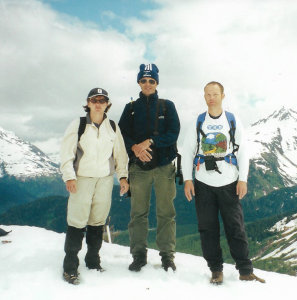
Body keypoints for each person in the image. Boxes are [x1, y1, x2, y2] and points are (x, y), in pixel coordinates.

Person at [182, 81, 265, 284]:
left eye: (215, 94)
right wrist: (187, 179)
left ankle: (245, 270)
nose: (211, 98)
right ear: (204, 97)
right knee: (207, 228)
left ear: (222, 96)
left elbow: (243, 150)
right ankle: (216, 270)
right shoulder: (198, 122)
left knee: (235, 227)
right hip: (203, 182)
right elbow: (187, 152)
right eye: (208, 94)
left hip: (229, 181)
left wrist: (243, 179)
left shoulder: (232, 120)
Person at [60, 87, 129, 285]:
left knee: (97, 221)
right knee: (77, 220)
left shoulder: (113, 127)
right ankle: (70, 265)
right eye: (94, 100)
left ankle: (92, 260)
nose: (98, 104)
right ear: (88, 103)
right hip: (82, 179)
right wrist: (69, 177)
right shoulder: (79, 124)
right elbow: (67, 153)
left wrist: (123, 177)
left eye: (102, 100)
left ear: (107, 104)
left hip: (105, 180)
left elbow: (120, 155)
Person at [118, 63, 180, 272]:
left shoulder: (167, 106)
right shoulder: (131, 108)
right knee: (138, 214)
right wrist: (134, 147)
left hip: (163, 166)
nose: (147, 84)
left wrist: (150, 142)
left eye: (151, 81)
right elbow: (121, 135)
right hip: (138, 167)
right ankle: (138, 256)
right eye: (144, 80)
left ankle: (167, 257)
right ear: (139, 82)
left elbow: (174, 132)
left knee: (165, 213)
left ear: (157, 83)